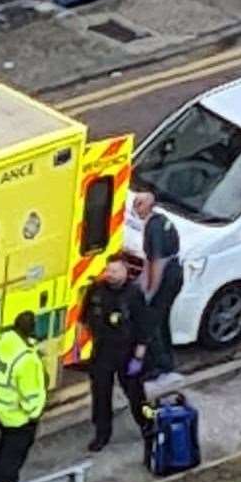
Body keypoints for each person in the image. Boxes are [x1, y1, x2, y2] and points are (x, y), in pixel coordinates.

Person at [79, 258, 149, 453]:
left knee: (136, 395)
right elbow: (83, 319)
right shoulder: (96, 291)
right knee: (101, 395)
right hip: (102, 351)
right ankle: (102, 433)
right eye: (109, 270)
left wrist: (139, 355)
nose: (111, 275)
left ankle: (148, 424)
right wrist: (80, 347)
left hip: (127, 351)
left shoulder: (134, 294)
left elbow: (143, 325)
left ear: (125, 272)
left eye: (116, 271)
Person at [0, 311, 47, 482]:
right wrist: (34, 414)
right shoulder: (26, 360)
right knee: (13, 459)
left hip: (1, 407)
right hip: (19, 416)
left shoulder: (4, 340)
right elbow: (30, 394)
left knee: (2, 449)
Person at [132, 183, 182, 378]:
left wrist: (150, 290)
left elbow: (157, 262)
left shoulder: (154, 227)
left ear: (150, 203)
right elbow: (150, 260)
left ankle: (159, 366)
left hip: (167, 276)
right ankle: (165, 360)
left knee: (153, 321)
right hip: (174, 273)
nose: (137, 209)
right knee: (161, 320)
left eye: (140, 204)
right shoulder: (161, 221)